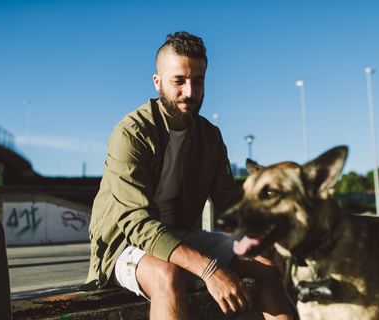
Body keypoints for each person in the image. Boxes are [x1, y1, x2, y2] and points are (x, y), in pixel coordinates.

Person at [81, 31, 293, 320]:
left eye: (198, 81)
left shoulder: (210, 136)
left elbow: (232, 202)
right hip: (124, 243)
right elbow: (138, 223)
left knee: (267, 263)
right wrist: (209, 269)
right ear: (158, 82)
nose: (190, 92)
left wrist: (274, 238)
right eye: (178, 81)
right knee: (167, 276)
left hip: (180, 235)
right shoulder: (131, 133)